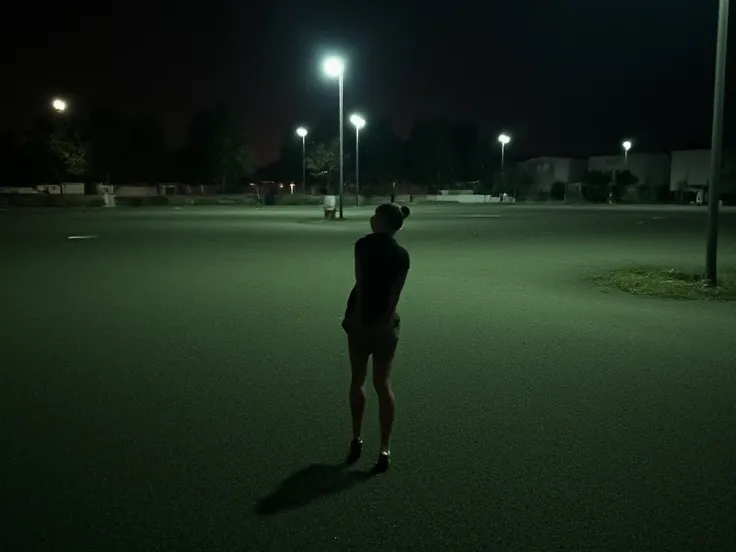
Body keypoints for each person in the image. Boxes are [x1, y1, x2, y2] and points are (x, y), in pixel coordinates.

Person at [341, 203, 411, 473]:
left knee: (357, 379)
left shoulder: (362, 245)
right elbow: (395, 296)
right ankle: (384, 448)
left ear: (380, 221)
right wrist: (384, 322)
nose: (371, 218)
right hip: (385, 324)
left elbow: (360, 283)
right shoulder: (402, 255)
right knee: (383, 383)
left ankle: (357, 437)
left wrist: (360, 321)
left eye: (374, 215)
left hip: (359, 321)